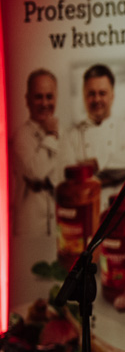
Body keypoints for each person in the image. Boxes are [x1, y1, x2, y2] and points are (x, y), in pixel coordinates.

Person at [61, 64, 125, 174]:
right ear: (84, 96)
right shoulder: (71, 135)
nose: (97, 99)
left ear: (112, 96)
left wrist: (96, 164)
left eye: (102, 93)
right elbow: (66, 172)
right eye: (91, 94)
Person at [11, 69, 59, 237]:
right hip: (30, 228)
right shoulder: (21, 136)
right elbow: (36, 172)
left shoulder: (63, 134)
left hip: (57, 226)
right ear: (27, 100)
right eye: (39, 97)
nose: (45, 103)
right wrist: (51, 136)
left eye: (49, 97)